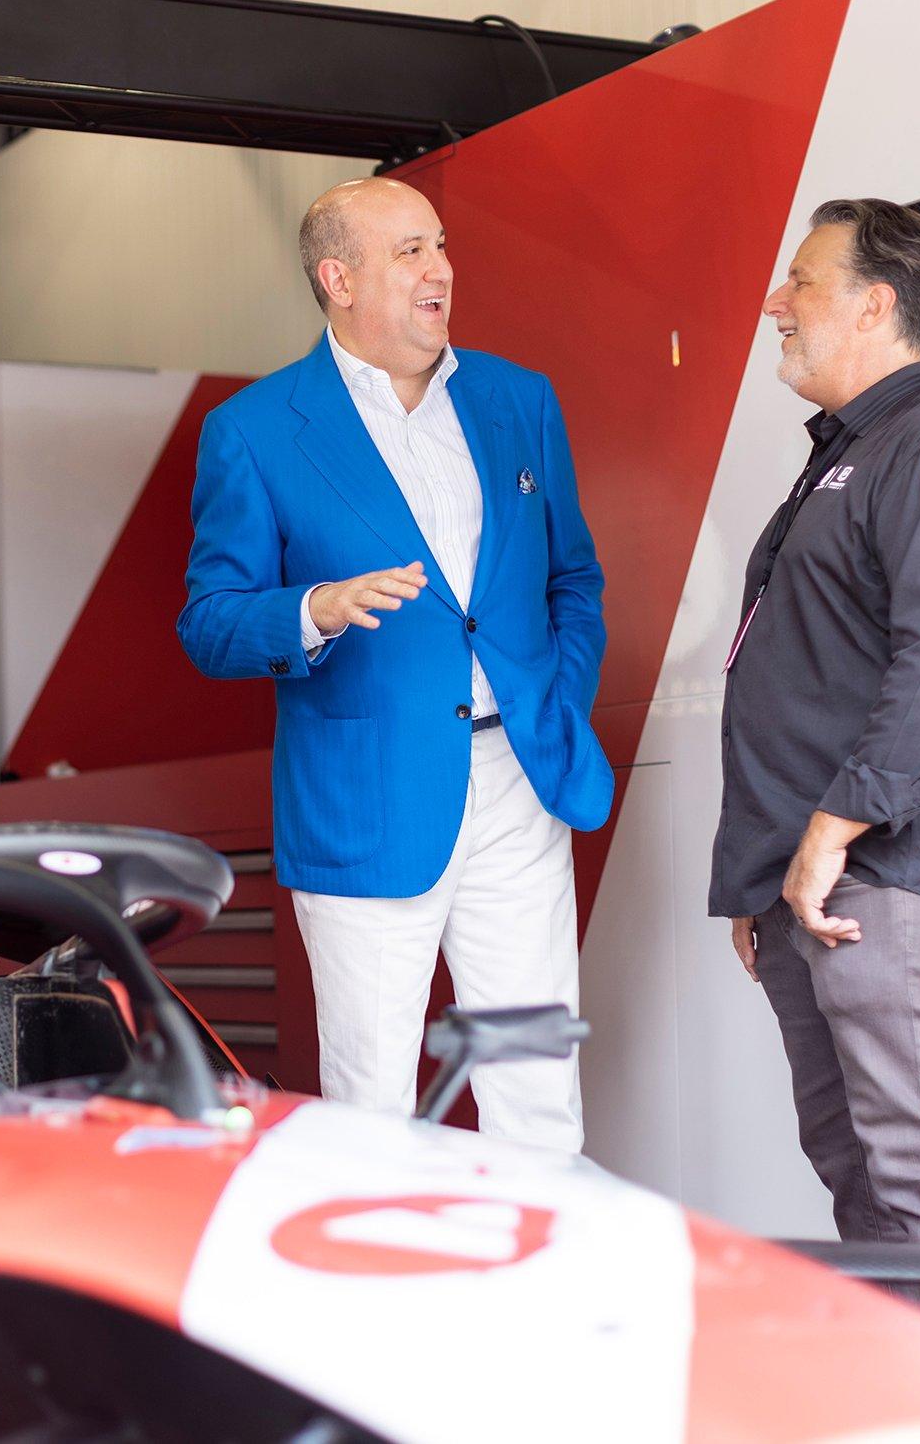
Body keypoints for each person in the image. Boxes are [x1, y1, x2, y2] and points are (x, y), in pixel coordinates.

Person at [177, 176, 611, 1152]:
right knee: (371, 1100)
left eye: (440, 244)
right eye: (408, 249)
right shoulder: (252, 429)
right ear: (337, 278)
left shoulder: (517, 400)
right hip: (365, 799)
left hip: (521, 779)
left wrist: (556, 691)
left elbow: (571, 579)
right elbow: (208, 623)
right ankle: (377, 1297)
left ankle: (538, 1292)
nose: (440, 268)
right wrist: (312, 610)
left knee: (535, 1086)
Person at [711, 198, 920, 1255]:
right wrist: (763, 874)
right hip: (807, 883)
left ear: (874, 304)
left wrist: (827, 833)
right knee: (858, 1178)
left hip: (882, 878)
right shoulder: (848, 450)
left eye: (799, 281)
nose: (774, 302)